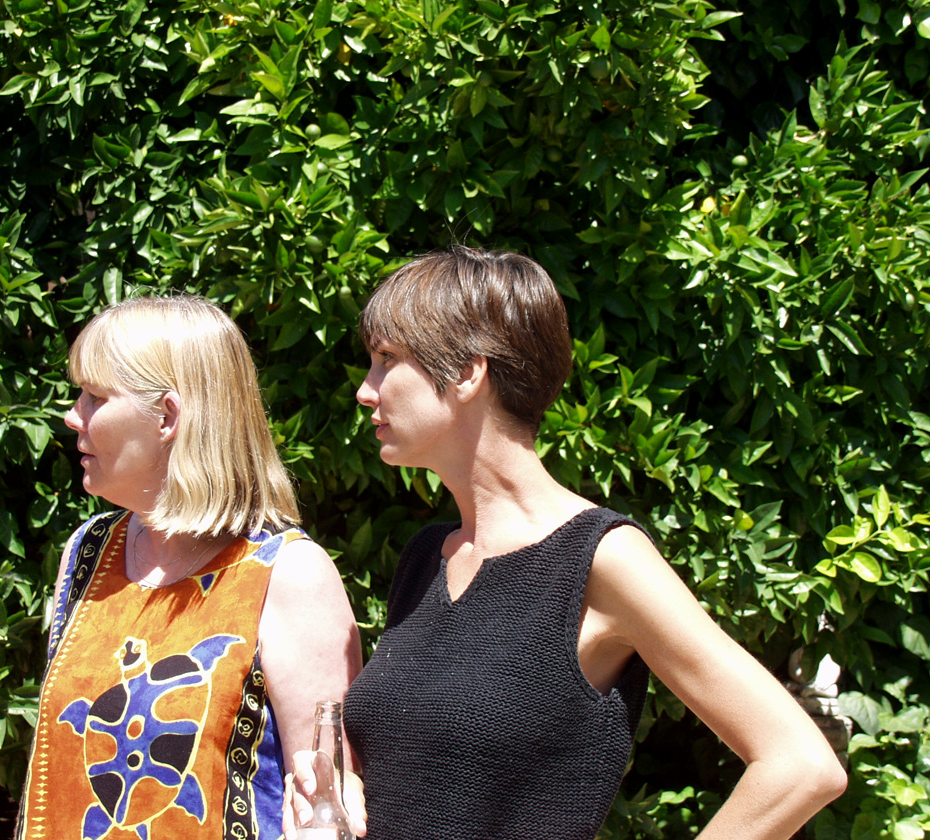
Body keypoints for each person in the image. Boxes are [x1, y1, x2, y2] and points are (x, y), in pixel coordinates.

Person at [285, 245, 846, 840]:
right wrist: (346, 791)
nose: (365, 391)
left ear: (469, 372)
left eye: (387, 359)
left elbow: (800, 766)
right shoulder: (428, 557)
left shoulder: (601, 558)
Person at [17, 295, 361, 840]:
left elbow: (325, 806)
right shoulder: (88, 550)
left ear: (168, 417)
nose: (72, 415)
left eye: (95, 397)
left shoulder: (287, 574)